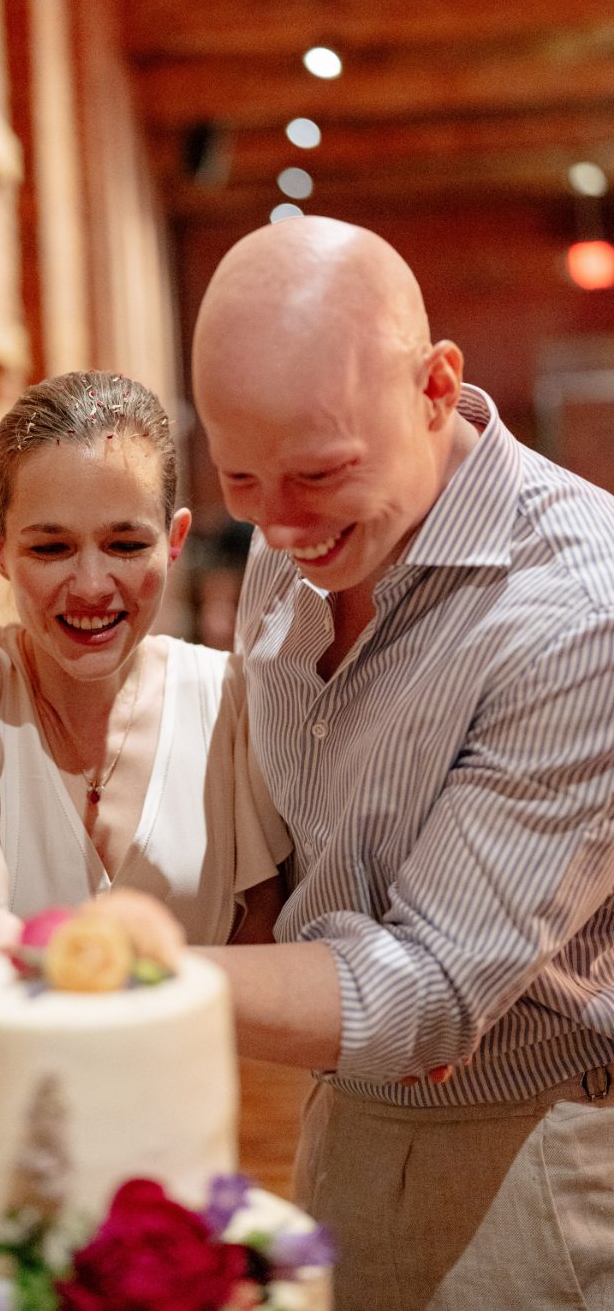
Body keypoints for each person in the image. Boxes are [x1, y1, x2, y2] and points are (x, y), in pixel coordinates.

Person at [190, 216, 614, 1311]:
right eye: (240, 479)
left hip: (526, 1159)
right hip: (341, 1117)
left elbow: (423, 996)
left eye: (318, 472)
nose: (278, 528)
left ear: (435, 386)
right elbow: (300, 857)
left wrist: (138, 972)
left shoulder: (580, 609)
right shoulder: (309, 540)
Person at [0, 370, 290, 1209]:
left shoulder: (234, 708)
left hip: (159, 1200)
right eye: (50, 547)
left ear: (175, 538)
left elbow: (263, 958)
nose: (93, 586)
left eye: (126, 543)